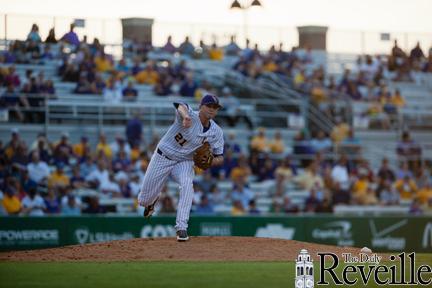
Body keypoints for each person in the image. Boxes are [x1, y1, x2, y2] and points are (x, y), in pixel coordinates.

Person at [137, 94, 224, 241]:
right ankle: (151, 202)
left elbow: (220, 156)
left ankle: (181, 228)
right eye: (209, 106)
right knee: (143, 201)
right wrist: (185, 117)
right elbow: (179, 104)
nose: (212, 110)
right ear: (200, 106)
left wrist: (210, 161)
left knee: (187, 184)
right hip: (163, 156)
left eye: (215, 108)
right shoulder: (190, 115)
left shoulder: (217, 131)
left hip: (184, 161)